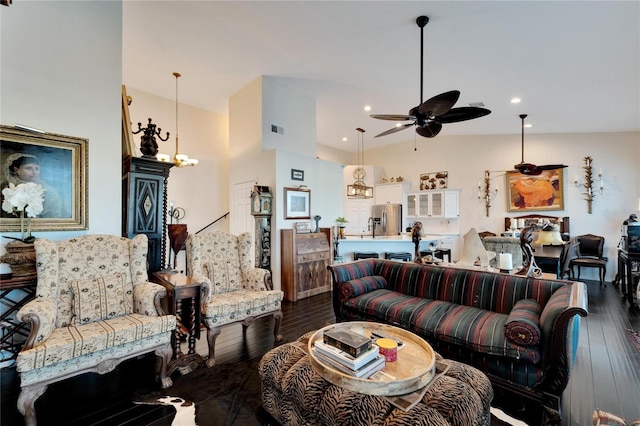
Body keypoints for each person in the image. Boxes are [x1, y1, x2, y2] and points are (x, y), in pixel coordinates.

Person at [1, 153, 63, 218]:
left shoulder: (47, 189)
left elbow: (55, 214)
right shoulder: (6, 187)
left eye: (37, 168)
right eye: (29, 168)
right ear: (17, 170)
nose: (34, 172)